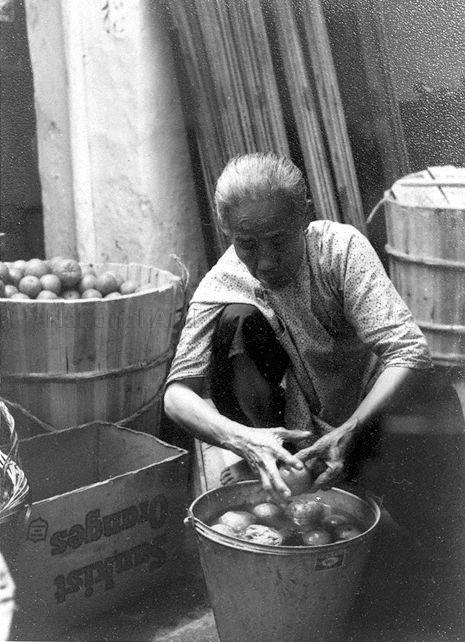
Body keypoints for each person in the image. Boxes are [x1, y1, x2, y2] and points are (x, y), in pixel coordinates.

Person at [164, 152, 436, 504]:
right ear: (227, 232)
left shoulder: (339, 250)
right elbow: (176, 395)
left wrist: (350, 429)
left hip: (363, 410)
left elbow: (410, 351)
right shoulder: (223, 280)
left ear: (304, 216)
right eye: (246, 244)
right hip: (288, 425)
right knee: (235, 321)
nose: (265, 262)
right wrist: (243, 439)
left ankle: (343, 457)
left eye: (278, 241)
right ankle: (269, 452)